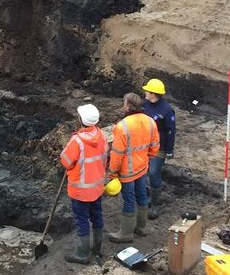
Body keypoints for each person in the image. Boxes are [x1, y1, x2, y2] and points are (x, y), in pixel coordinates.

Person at [107, 92, 160, 243]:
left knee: (129, 200)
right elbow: (155, 145)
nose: (123, 106)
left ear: (129, 106)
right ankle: (141, 228)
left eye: (124, 103)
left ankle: (125, 233)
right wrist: (146, 158)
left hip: (127, 172)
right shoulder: (150, 121)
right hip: (142, 167)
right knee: (142, 195)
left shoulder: (122, 126)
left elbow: (117, 154)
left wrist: (112, 172)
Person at [59, 104, 108, 264]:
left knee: (81, 221)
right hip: (97, 187)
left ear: (81, 120)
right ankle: (98, 248)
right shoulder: (101, 135)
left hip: (80, 191)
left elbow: (66, 161)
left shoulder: (77, 140)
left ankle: (82, 254)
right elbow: (104, 157)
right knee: (97, 217)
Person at [141, 78, 176, 219]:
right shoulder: (145, 105)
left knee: (154, 172)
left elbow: (171, 130)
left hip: (158, 147)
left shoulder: (166, 110)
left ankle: (155, 204)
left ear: (153, 94)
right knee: (143, 172)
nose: (145, 93)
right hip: (144, 145)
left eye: (147, 91)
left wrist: (169, 150)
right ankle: (147, 197)